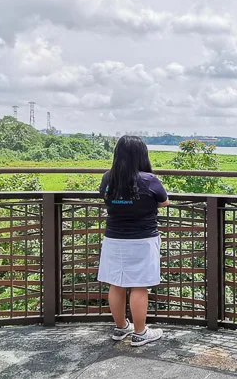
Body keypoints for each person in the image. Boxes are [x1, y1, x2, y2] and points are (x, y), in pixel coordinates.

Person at [97, 135, 169, 346]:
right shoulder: (149, 180)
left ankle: (121, 328)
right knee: (139, 286)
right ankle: (140, 332)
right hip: (142, 239)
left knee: (116, 283)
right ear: (142, 155)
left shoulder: (108, 178)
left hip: (113, 238)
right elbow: (164, 201)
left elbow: (103, 196)